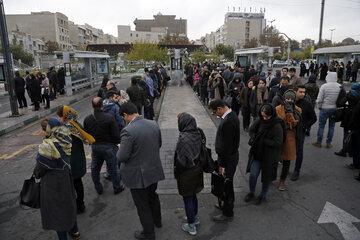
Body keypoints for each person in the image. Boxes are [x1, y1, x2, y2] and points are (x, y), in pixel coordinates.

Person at [117, 102, 164, 240]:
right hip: (153, 170)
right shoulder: (153, 124)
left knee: (142, 205)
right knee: (153, 196)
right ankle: (158, 221)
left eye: (123, 118)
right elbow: (159, 144)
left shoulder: (128, 131)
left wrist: (120, 147)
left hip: (138, 175)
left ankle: (149, 233)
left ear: (125, 115)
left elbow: (122, 156)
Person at [33, 117, 80, 240]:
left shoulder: (46, 148)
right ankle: (75, 231)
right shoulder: (64, 141)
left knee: (57, 212)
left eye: (43, 130)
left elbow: (39, 171)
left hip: (52, 184)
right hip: (66, 179)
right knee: (69, 204)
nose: (41, 132)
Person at [57, 106, 95, 214]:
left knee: (70, 186)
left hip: (68, 160)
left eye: (60, 117)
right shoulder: (76, 125)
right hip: (78, 158)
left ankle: (72, 205)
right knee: (78, 183)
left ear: (64, 116)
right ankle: (81, 204)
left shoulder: (64, 128)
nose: (59, 119)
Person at [83, 97, 124, 195]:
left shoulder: (87, 119)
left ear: (92, 106)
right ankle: (117, 187)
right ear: (102, 105)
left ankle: (98, 188)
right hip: (109, 146)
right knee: (114, 168)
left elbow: (86, 135)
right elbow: (116, 135)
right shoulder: (110, 118)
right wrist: (116, 143)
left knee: (95, 168)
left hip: (96, 147)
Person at [245, 104, 284, 204]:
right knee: (253, 175)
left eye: (267, 116)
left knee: (266, 177)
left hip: (270, 156)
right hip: (257, 154)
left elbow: (278, 142)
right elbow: (252, 130)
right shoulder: (260, 120)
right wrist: (254, 138)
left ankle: (263, 195)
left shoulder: (277, 125)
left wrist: (263, 140)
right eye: (263, 116)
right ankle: (251, 192)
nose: (265, 118)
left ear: (272, 114)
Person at [209, 99, 240, 221]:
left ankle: (228, 212)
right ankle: (224, 204)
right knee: (224, 183)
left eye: (215, 112)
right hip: (229, 157)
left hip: (228, 159)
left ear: (220, 109)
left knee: (227, 184)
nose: (215, 115)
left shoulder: (228, 121)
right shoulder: (231, 116)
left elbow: (227, 146)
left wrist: (222, 165)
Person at [174, 112, 203, 236]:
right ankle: (195, 217)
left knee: (187, 198)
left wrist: (177, 172)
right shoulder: (198, 132)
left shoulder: (183, 138)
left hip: (187, 173)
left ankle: (191, 226)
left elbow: (181, 161)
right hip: (197, 168)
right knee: (193, 194)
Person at [276, 90, 302, 191]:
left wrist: (290, 113)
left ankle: (282, 180)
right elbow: (276, 122)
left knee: (287, 160)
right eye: (287, 99)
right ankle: (270, 176)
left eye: (291, 99)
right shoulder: (278, 108)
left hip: (290, 136)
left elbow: (295, 123)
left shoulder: (297, 109)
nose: (289, 101)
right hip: (278, 135)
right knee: (274, 158)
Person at [291, 85, 317, 181]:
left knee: (299, 151)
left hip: (300, 132)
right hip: (289, 130)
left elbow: (314, 118)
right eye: (300, 92)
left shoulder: (307, 104)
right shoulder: (290, 101)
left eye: (304, 92)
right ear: (295, 92)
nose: (303, 94)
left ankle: (297, 170)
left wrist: (304, 126)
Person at [312, 72, 341, 148]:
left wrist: (319, 107)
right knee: (332, 126)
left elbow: (319, 99)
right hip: (334, 108)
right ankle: (328, 143)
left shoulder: (324, 86)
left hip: (324, 108)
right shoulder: (340, 86)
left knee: (321, 126)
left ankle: (319, 142)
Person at [335, 83, 360, 160]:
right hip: (357, 115)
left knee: (346, 133)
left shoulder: (350, 94)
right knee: (355, 134)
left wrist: (346, 105)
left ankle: (344, 149)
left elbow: (341, 103)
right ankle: (352, 151)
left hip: (348, 114)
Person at [349, 101, 360, 179]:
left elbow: (355, 114)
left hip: (358, 128)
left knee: (357, 147)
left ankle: (356, 164)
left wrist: (350, 126)